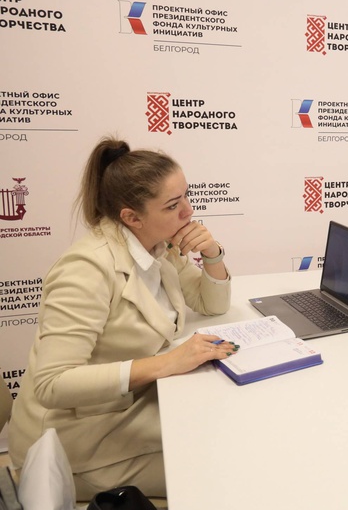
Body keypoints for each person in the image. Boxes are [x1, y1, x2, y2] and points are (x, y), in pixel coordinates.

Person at [9, 137, 238, 500]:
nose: (188, 211)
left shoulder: (158, 245)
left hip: (124, 410)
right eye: (173, 205)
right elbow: (52, 384)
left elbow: (212, 304)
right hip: (73, 443)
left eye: (187, 196)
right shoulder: (87, 268)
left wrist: (212, 252)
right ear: (131, 217)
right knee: (224, 469)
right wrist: (166, 363)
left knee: (228, 430)